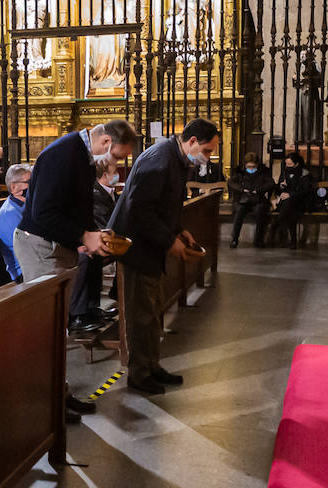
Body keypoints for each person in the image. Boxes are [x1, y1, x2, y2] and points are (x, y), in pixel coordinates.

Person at [16, 118, 136, 419]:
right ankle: (45, 404)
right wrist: (83, 235)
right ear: (106, 142)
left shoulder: (81, 156)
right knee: (47, 328)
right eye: (118, 158)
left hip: (59, 244)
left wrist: (90, 235)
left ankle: (59, 393)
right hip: (41, 246)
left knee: (59, 326)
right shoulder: (63, 153)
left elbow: (77, 204)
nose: (118, 167)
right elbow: (43, 211)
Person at [108, 118, 219, 395]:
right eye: (206, 150)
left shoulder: (176, 158)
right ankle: (139, 373)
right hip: (137, 246)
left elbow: (165, 204)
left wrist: (180, 230)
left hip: (150, 244)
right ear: (192, 141)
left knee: (152, 309)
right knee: (141, 314)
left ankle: (152, 365)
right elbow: (139, 211)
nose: (207, 157)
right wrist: (170, 240)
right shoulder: (159, 160)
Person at [70, 157, 121, 332]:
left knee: (94, 256)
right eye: (115, 172)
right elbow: (104, 222)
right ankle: (78, 314)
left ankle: (92, 307)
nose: (118, 175)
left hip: (93, 237)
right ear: (105, 175)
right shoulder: (95, 194)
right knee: (87, 257)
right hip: (80, 241)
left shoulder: (108, 192)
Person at [227, 152, 275, 249]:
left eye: (253, 166)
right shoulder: (240, 173)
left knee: (260, 213)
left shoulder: (263, 172)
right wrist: (242, 189)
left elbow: (271, 184)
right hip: (244, 199)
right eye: (249, 166)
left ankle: (258, 240)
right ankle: (234, 239)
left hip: (258, 199)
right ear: (245, 165)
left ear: (257, 165)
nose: (251, 169)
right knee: (239, 213)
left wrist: (258, 189)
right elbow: (231, 182)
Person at [272, 152, 315, 250]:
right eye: (286, 164)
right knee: (290, 211)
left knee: (289, 206)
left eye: (290, 164)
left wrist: (290, 194)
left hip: (300, 201)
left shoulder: (304, 174)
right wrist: (281, 187)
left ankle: (277, 225)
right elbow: (279, 189)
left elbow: (305, 190)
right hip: (287, 204)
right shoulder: (285, 172)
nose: (288, 166)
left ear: (297, 164)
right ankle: (293, 241)